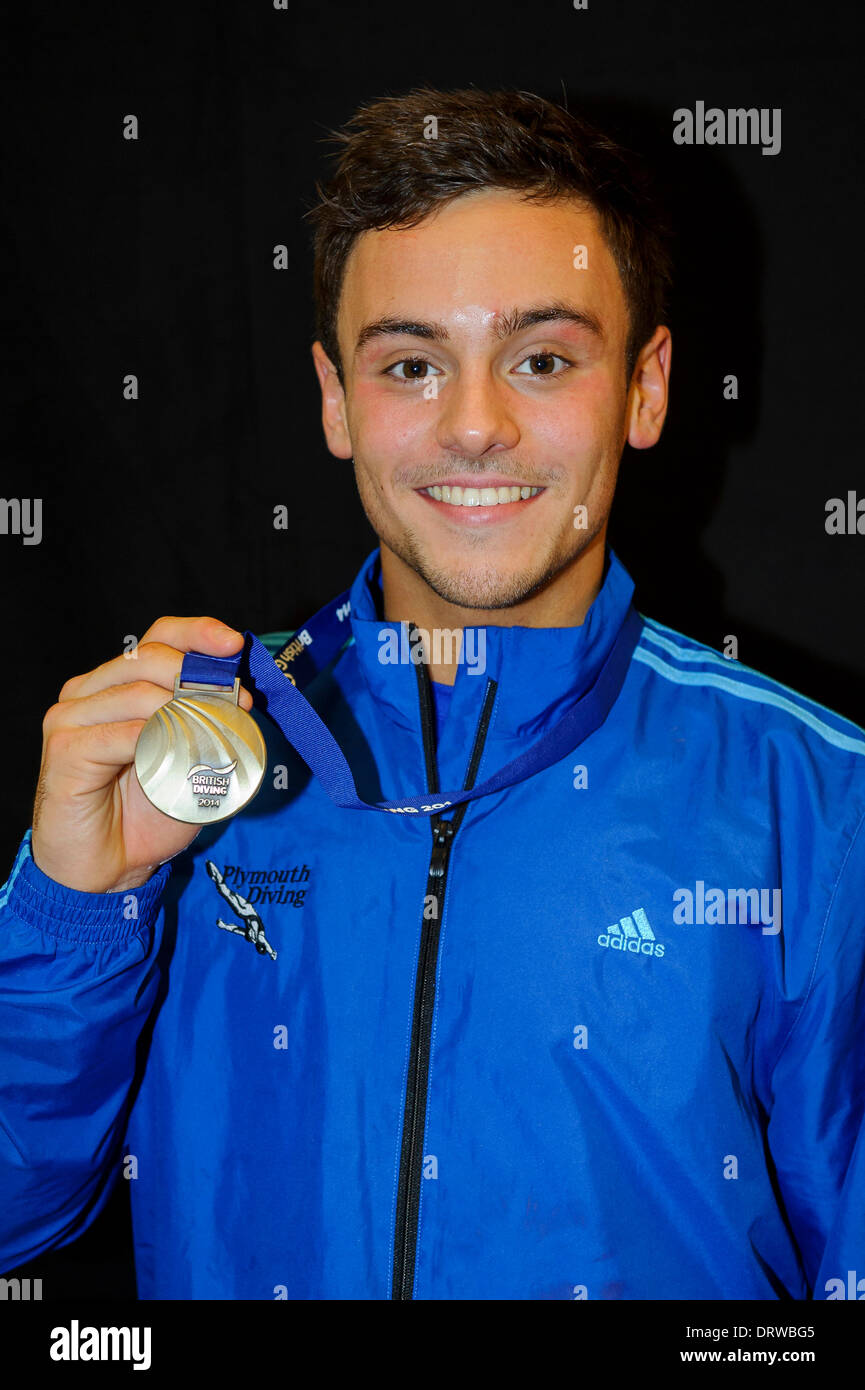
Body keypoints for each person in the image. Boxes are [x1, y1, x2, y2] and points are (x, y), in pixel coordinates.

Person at [1, 85, 863, 1301]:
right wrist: (77, 910)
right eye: (411, 363)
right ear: (334, 400)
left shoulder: (819, 806)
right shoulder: (174, 760)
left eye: (543, 358)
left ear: (648, 386)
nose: (474, 427)